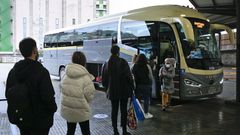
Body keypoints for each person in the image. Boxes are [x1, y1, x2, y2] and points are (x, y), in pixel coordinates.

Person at [5, 37, 57, 135]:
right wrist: (53, 109)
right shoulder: (42, 72)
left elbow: (8, 94)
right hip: (40, 121)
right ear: (34, 51)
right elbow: (48, 97)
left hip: (22, 119)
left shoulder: (13, 71)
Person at [60, 51, 95, 135]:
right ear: (83, 61)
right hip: (82, 111)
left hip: (68, 111)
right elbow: (90, 96)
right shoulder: (86, 77)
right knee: (86, 132)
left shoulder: (65, 75)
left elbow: (62, 90)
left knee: (70, 131)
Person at [102, 45, 134, 135]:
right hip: (124, 91)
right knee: (123, 111)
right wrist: (132, 87)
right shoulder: (123, 62)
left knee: (114, 111)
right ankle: (124, 131)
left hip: (112, 91)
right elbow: (129, 77)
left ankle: (115, 131)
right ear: (118, 52)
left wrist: (107, 88)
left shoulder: (106, 63)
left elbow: (103, 80)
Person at [131, 54, 153, 118]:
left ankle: (137, 113)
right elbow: (150, 76)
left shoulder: (134, 66)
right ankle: (146, 113)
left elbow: (131, 75)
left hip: (137, 85)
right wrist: (150, 83)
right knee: (146, 99)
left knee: (137, 100)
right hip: (146, 85)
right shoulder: (147, 66)